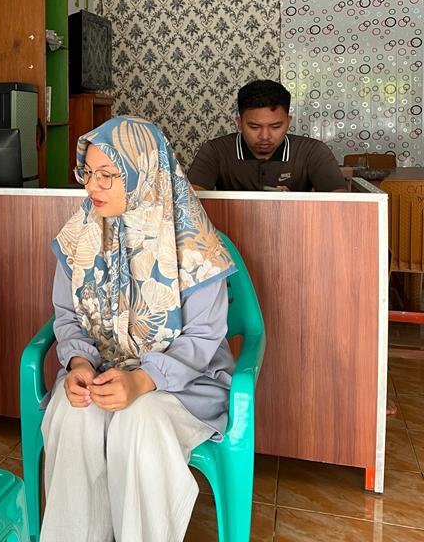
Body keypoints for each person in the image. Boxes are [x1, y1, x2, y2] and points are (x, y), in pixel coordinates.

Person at [40, 116, 236, 542]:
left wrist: (143, 380)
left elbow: (203, 338)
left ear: (145, 174)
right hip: (103, 369)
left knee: (139, 420)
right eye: (87, 172)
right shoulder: (79, 236)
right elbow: (67, 314)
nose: (92, 187)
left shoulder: (195, 248)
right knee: (73, 413)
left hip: (184, 383)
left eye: (108, 175)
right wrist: (78, 363)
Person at [188, 79, 346, 192]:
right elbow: (190, 201)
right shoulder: (215, 151)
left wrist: (295, 202)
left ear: (288, 122)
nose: (265, 136)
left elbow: (339, 201)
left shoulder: (312, 151)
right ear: (239, 123)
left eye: (276, 126)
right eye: (254, 127)